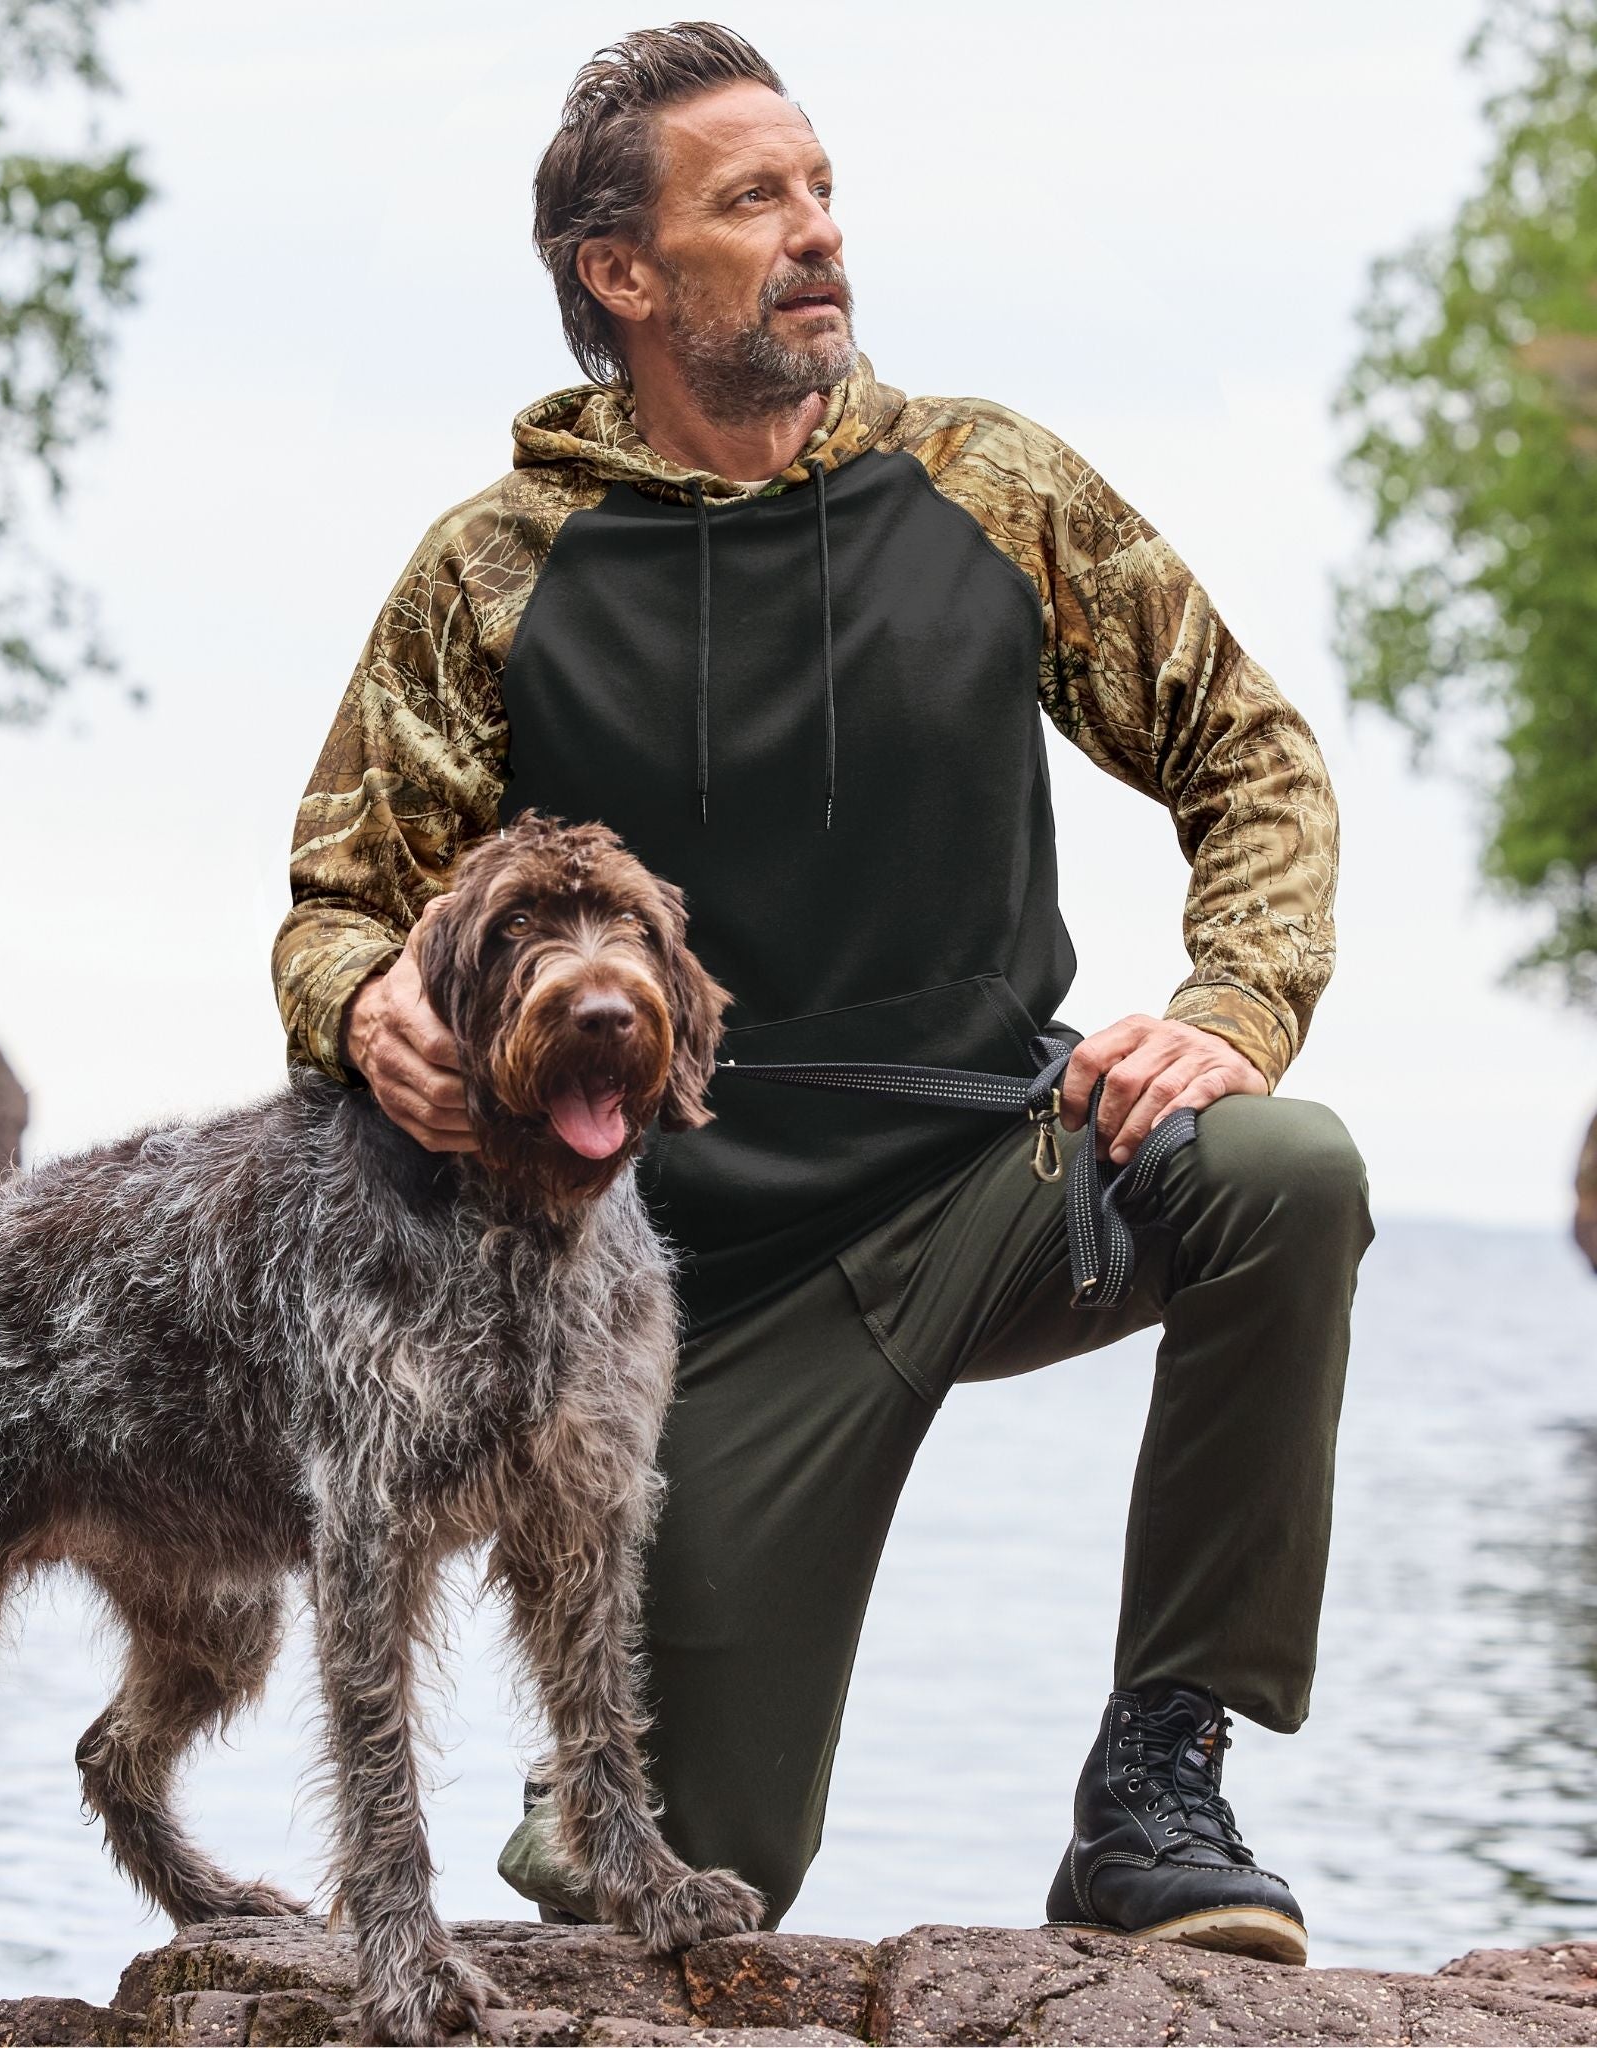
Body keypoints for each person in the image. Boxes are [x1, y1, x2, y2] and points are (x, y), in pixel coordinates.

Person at [271, 21, 1372, 1965]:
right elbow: (339, 906)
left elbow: (1252, 758)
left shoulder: (991, 485)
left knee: (1280, 1165)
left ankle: (1157, 1783)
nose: (817, 234)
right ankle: (589, 1787)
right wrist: (368, 1003)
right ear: (624, 276)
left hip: (1003, 1175)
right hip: (687, 1304)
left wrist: (1234, 1000)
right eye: (754, 199)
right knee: (699, 1879)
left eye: (823, 189)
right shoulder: (493, 572)